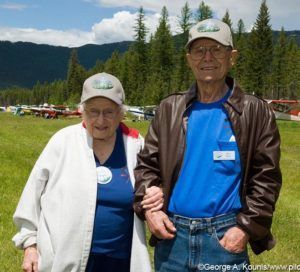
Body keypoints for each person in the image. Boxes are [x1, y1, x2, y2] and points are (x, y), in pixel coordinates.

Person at [134, 18, 282, 272]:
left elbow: (266, 179)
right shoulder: (169, 109)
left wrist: (245, 228)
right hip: (172, 238)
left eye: (216, 49)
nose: (207, 57)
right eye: (199, 50)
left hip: (224, 238)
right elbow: (146, 166)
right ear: (189, 58)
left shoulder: (254, 111)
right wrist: (150, 209)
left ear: (232, 56)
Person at [12, 72, 163, 272]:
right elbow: (32, 195)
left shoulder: (135, 144)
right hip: (65, 259)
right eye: (93, 111)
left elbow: (153, 181)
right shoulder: (63, 141)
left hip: (121, 261)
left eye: (109, 112)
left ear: (121, 113)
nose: (101, 120)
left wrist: (159, 191)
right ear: (82, 111)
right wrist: (30, 244)